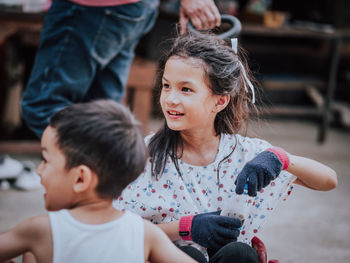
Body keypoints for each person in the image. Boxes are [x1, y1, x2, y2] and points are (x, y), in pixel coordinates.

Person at [113, 32, 338, 262]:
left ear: (220, 101)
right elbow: (119, 234)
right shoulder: (144, 155)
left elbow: (329, 180)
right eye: (166, 85)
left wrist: (282, 158)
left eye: (185, 89)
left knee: (239, 252)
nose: (170, 98)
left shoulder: (243, 155)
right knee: (185, 253)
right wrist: (184, 228)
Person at [0, 100, 197, 263]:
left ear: (80, 178)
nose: (38, 170)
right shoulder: (144, 233)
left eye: (45, 160)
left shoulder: (42, 231)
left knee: (31, 256)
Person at [21, 0, 221, 139]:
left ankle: (85, 177)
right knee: (103, 111)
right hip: (129, 8)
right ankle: (104, 184)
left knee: (43, 105)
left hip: (95, 7)